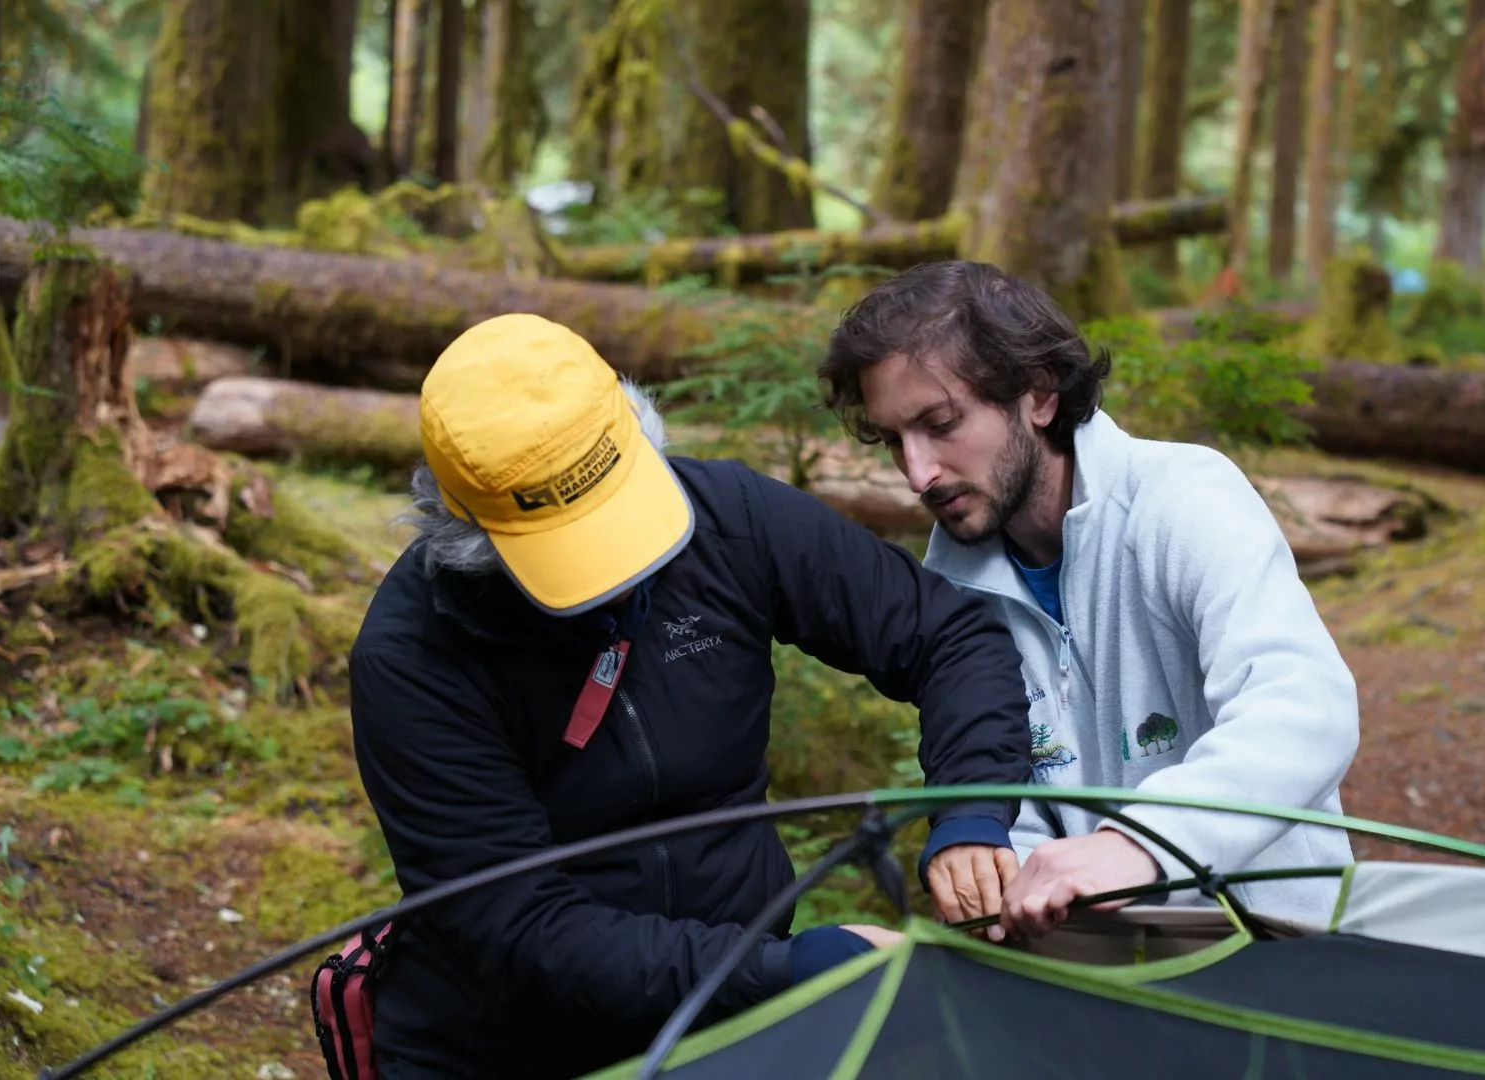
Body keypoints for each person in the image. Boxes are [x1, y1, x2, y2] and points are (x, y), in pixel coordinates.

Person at [349, 313, 1032, 1080]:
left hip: (734, 1038)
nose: (615, 572)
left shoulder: (728, 519)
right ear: (468, 529)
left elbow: (948, 637)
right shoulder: (416, 655)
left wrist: (973, 813)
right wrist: (783, 971)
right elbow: (521, 932)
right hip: (512, 1051)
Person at [817, 260, 1362, 940]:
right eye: (895, 440)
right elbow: (1015, 787)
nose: (918, 472)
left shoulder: (1180, 499)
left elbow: (1305, 706)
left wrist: (1140, 844)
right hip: (1095, 971)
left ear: (1038, 395)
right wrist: (996, 873)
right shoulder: (954, 582)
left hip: (1273, 950)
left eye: (941, 422)